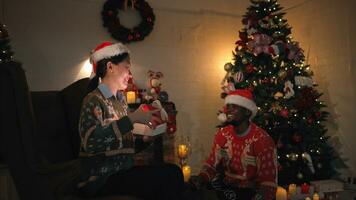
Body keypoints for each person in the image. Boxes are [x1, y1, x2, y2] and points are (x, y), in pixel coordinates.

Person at [77, 42, 184, 199]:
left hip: (122, 173)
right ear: (110, 67)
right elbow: (91, 142)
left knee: (173, 171)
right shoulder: (93, 99)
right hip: (101, 179)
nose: (130, 74)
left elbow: (124, 146)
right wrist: (132, 118)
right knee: (168, 175)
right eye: (127, 67)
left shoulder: (120, 102)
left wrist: (147, 139)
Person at [191, 89, 277, 200]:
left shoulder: (262, 140)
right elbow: (212, 164)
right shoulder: (223, 134)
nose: (228, 110)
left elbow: (268, 183)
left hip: (250, 192)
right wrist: (201, 178)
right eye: (228, 107)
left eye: (234, 107)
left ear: (247, 112)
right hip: (226, 186)